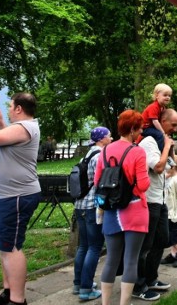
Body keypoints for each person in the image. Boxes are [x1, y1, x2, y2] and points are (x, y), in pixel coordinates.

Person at [0, 92, 41, 305]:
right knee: (5, 247)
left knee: (12, 247)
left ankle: (17, 300)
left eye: (10, 105)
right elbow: (9, 140)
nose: (7, 109)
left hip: (13, 196)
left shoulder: (27, 127)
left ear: (18, 109)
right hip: (5, 196)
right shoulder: (22, 129)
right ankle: (8, 293)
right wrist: (1, 123)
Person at [94, 110, 150, 305]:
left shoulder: (105, 151)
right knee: (131, 260)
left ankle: (106, 303)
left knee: (111, 259)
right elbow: (143, 185)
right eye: (140, 128)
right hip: (134, 210)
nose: (141, 132)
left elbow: (97, 181)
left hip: (111, 211)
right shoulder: (137, 151)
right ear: (133, 130)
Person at [133, 108, 177, 301]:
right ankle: (138, 285)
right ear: (161, 121)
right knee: (145, 246)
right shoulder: (149, 142)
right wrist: (167, 146)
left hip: (160, 200)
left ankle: (152, 278)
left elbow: (173, 165)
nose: (175, 129)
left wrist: (170, 148)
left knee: (162, 240)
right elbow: (158, 167)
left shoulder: (162, 142)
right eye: (173, 125)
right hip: (149, 201)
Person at [72, 127, 112, 301]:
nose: (111, 138)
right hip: (92, 207)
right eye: (109, 136)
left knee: (83, 246)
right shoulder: (100, 156)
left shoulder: (85, 156)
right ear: (102, 139)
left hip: (79, 205)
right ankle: (86, 289)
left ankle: (78, 283)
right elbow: (102, 182)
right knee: (95, 247)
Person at [161, 155, 177, 267]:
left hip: (174, 213)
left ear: (173, 166)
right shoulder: (170, 177)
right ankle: (173, 254)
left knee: (172, 235)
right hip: (168, 211)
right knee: (170, 233)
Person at [138, 83, 172, 147]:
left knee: (162, 134)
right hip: (145, 128)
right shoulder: (154, 107)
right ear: (157, 96)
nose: (168, 97)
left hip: (151, 127)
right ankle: (160, 152)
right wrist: (163, 132)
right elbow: (155, 121)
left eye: (169, 96)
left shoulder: (162, 108)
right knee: (160, 135)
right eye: (165, 95)